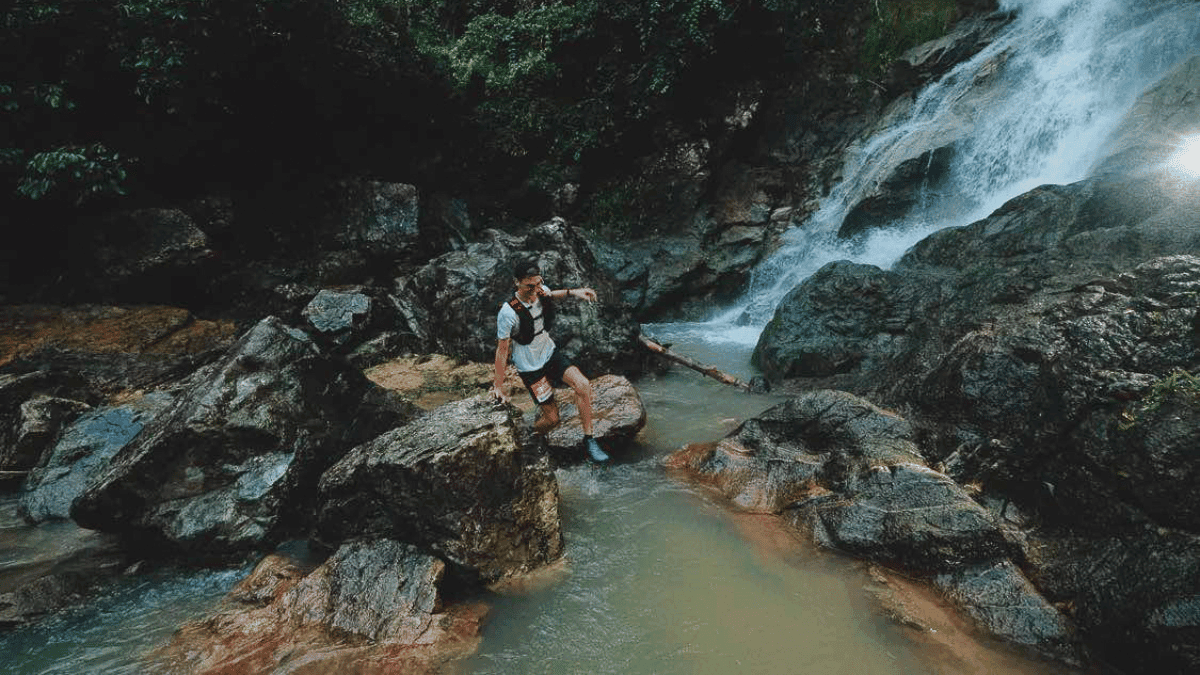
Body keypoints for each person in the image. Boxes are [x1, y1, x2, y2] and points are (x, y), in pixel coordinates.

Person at [490, 259, 610, 462]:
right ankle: (528, 433)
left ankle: (589, 440)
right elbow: (502, 351)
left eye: (538, 283)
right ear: (517, 283)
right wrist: (498, 386)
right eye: (530, 286)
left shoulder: (539, 289)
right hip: (530, 367)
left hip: (549, 353)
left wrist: (575, 292)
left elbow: (551, 293)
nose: (536, 289)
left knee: (583, 385)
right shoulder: (508, 312)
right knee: (553, 420)